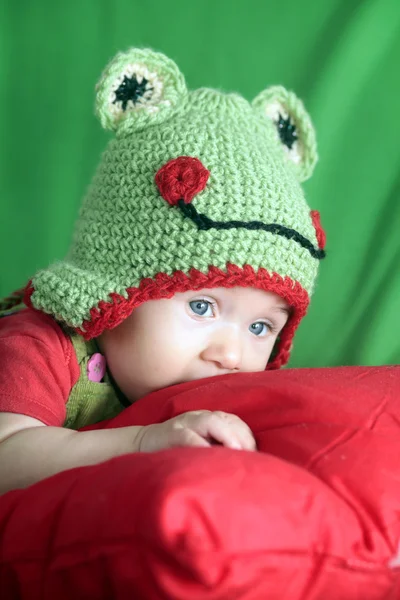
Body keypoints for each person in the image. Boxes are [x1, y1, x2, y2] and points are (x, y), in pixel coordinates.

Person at [0, 48, 326, 493]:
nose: (230, 355)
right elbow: (7, 453)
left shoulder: (228, 394)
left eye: (261, 326)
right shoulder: (38, 347)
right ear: (116, 292)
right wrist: (139, 442)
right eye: (201, 304)